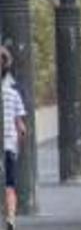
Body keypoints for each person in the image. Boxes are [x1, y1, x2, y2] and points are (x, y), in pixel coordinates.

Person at [0, 49, 25, 230]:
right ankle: (10, 217)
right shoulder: (13, 94)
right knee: (10, 184)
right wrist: (20, 140)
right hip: (9, 145)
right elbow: (21, 126)